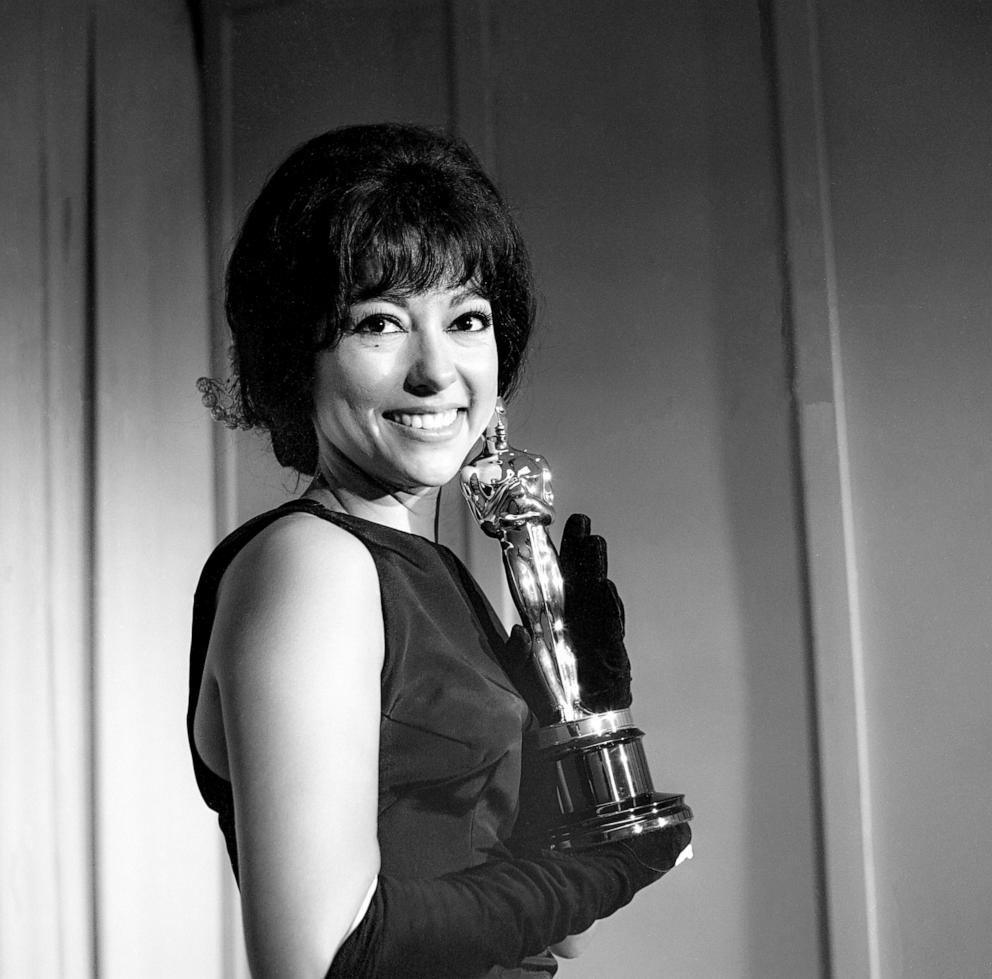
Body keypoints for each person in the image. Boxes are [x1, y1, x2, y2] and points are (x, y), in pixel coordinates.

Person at [188, 122, 691, 979]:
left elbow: (548, 933)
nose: (435, 370)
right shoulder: (313, 564)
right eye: (380, 322)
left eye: (467, 319)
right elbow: (329, 953)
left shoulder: (444, 577)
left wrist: (587, 719)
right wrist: (599, 871)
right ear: (293, 356)